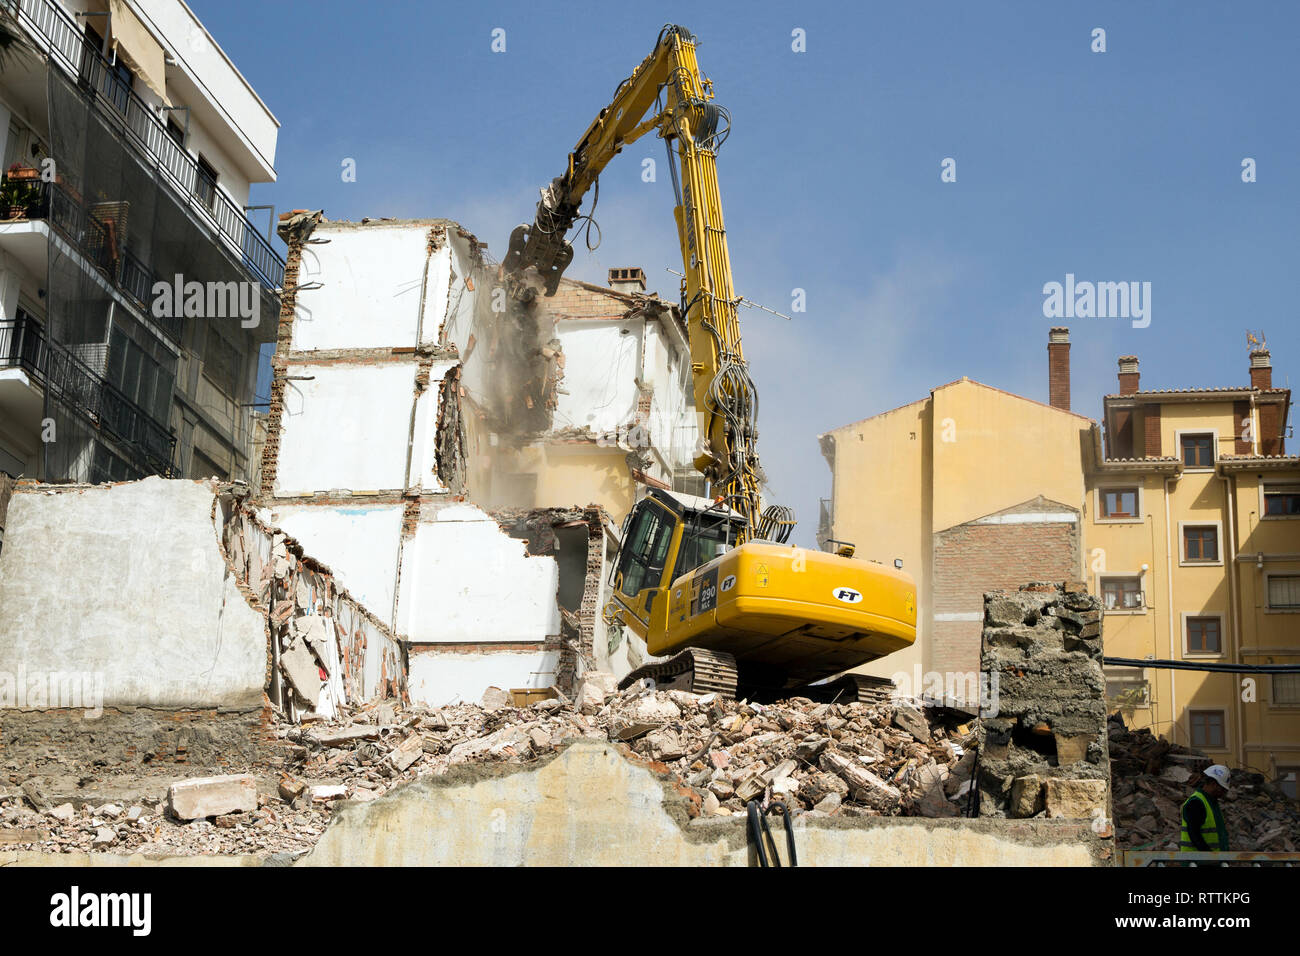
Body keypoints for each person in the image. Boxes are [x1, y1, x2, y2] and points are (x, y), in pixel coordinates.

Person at [1180, 764, 1231, 852]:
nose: (1224, 793)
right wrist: (1209, 855)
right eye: (1222, 789)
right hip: (1196, 861)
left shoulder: (1211, 802)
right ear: (1213, 784)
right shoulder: (1196, 802)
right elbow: (1194, 834)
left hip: (1209, 861)